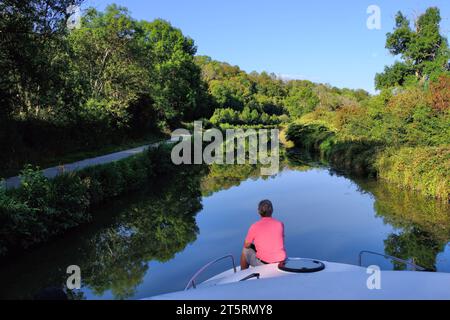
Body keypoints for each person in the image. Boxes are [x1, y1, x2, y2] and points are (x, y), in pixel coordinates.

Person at [240, 200, 287, 270]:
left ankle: (243, 275)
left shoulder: (254, 226)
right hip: (281, 262)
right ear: (272, 210)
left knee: (245, 251)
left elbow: (246, 245)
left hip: (264, 264)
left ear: (259, 212)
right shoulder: (280, 224)